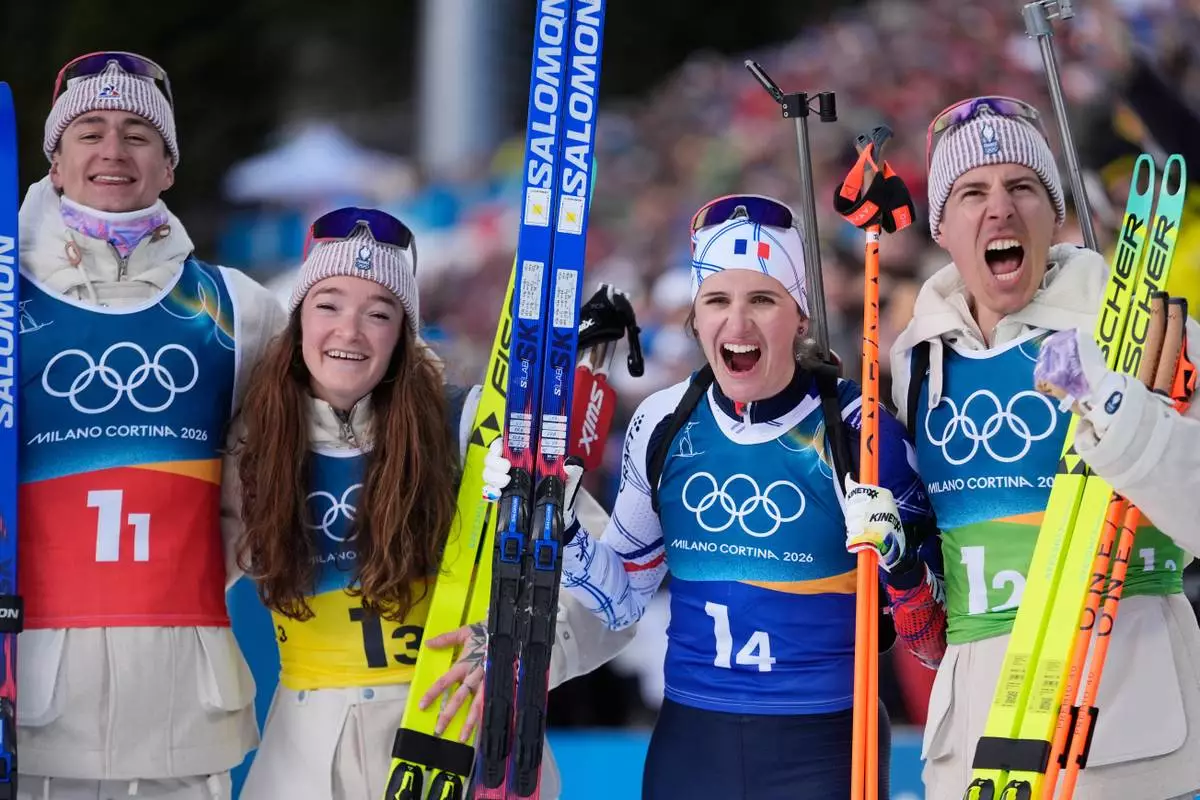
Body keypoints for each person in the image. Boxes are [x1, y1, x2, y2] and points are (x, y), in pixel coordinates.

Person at [484, 194, 948, 800]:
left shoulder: (858, 432)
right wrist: (560, 523)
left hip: (825, 745)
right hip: (692, 743)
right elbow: (623, 602)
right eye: (717, 301)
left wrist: (901, 559)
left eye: (762, 299)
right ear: (696, 319)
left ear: (800, 316)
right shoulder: (662, 423)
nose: (738, 324)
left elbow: (934, 644)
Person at [228, 208, 634, 800]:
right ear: (297, 320)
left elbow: (606, 584)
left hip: (458, 742)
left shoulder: (467, 427)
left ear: (403, 332)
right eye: (329, 304)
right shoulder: (254, 441)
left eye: (379, 312)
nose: (350, 331)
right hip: (306, 758)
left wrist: (517, 647)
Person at [888, 95, 1200, 800]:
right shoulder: (914, 361)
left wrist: (1112, 404)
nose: (999, 208)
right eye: (972, 193)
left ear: (1054, 215)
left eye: (1022, 187)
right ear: (943, 226)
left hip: (1126, 739)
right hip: (978, 751)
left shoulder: (1143, 329)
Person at [16, 51, 286, 799]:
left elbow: (335, 426)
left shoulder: (239, 309)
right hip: (26, 699)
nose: (112, 151)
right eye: (90, 131)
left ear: (168, 166)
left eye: (138, 133)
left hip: (181, 703)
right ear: (55, 159)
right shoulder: (3, 301)